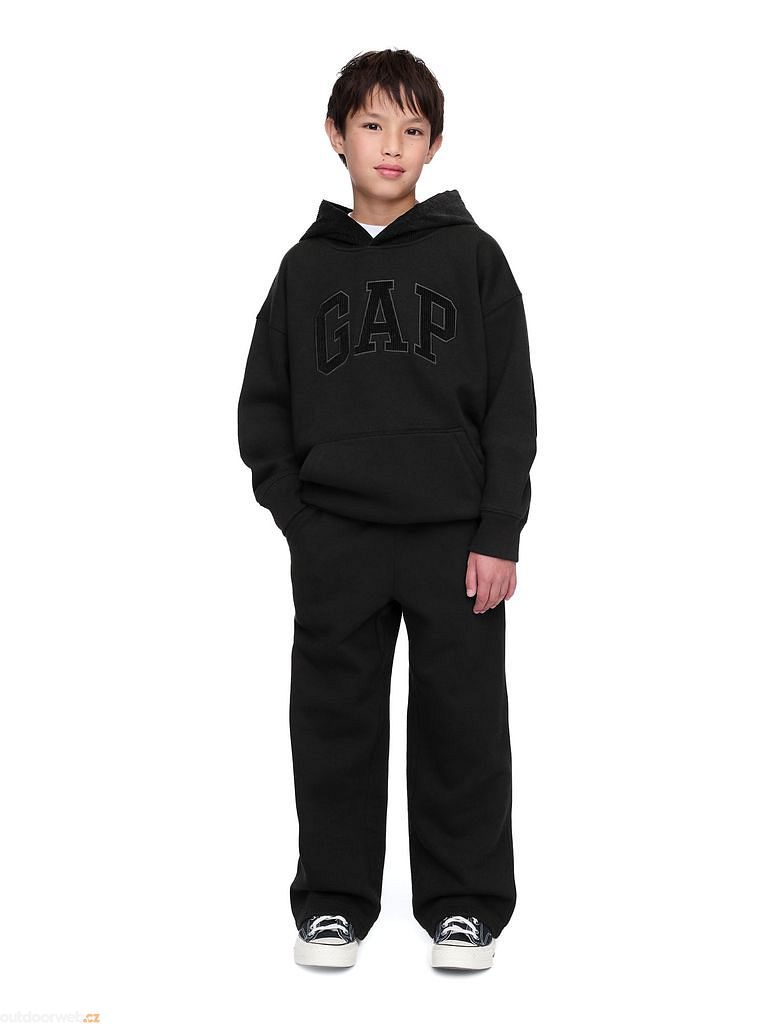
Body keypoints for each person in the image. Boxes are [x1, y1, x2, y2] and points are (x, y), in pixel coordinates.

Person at [237, 48, 537, 971]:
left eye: (412, 128)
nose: (392, 145)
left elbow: (512, 408)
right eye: (373, 125)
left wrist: (498, 532)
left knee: (462, 727)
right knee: (334, 725)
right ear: (337, 135)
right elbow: (263, 409)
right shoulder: (303, 270)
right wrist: (302, 522)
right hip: (340, 540)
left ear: (435, 143)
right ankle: (332, 904)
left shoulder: (473, 257)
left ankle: (465, 909)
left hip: (455, 540)